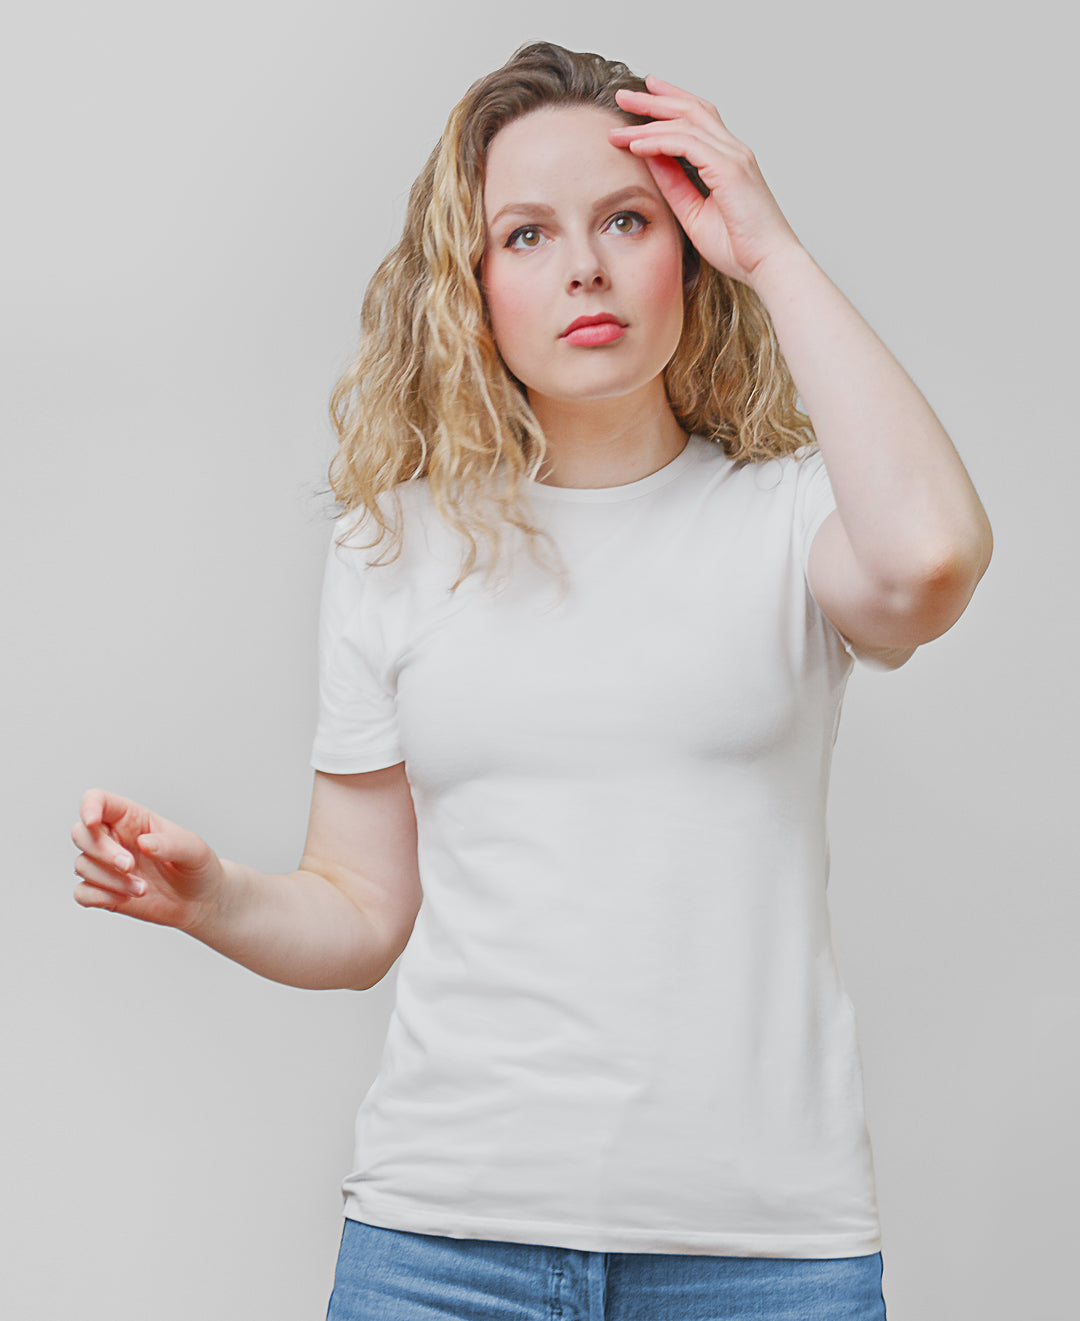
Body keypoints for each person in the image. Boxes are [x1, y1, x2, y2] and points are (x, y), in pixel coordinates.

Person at [71, 40, 992, 1321]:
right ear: (472, 285)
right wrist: (211, 895)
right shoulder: (392, 545)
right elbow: (360, 908)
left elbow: (933, 556)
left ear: (690, 247)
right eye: (526, 235)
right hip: (443, 1249)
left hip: (765, 1257)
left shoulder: (790, 524)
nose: (585, 268)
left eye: (628, 218)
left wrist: (774, 250)